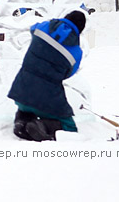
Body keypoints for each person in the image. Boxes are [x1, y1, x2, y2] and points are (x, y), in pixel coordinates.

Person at [9, 11, 86, 142]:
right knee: (69, 127)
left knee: (29, 106)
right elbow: (68, 74)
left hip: (21, 90)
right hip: (48, 97)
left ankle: (22, 119)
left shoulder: (44, 26)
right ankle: (42, 126)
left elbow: (33, 28)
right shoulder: (76, 51)